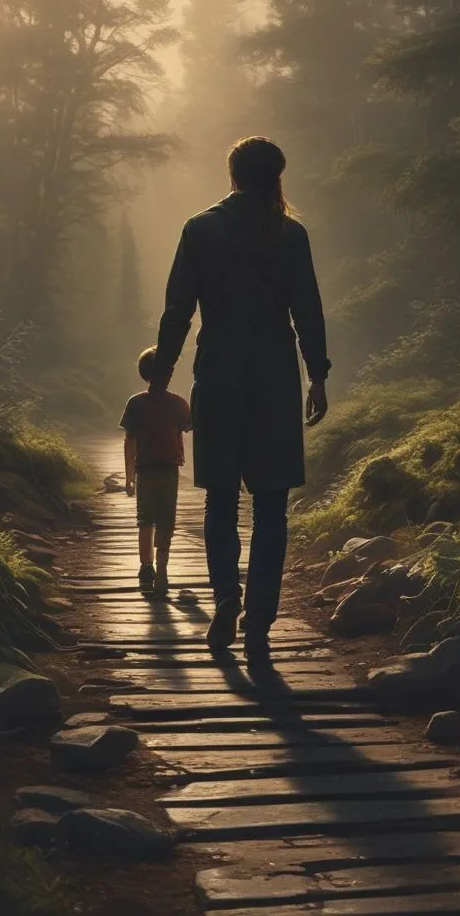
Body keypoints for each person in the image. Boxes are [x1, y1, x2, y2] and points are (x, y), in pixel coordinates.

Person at [152, 136, 329, 667]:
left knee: (221, 497)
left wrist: (162, 371)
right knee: (272, 503)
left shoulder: (200, 229)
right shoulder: (291, 235)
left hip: (221, 369)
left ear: (232, 175)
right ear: (277, 176)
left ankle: (227, 596)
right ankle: (260, 620)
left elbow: (178, 307)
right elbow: (308, 310)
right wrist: (317, 376)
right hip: (275, 373)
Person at [119, 346, 192, 598]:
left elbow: (129, 441)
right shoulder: (178, 403)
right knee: (166, 520)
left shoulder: (135, 403)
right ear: (169, 373)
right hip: (170, 468)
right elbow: (191, 426)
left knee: (144, 519)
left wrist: (129, 477)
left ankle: (145, 567)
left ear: (144, 373)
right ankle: (162, 568)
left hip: (145, 469)